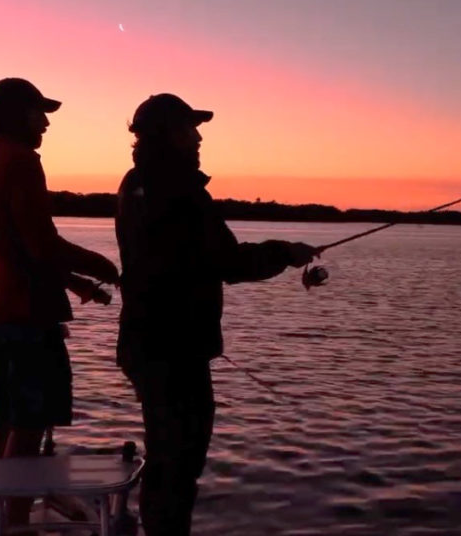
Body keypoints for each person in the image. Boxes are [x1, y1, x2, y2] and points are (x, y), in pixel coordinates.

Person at [115, 93, 316, 536]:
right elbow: (226, 261)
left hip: (144, 342)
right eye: (191, 127)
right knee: (179, 461)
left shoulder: (135, 182)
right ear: (171, 132)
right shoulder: (179, 188)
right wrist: (285, 252)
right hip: (175, 348)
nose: (199, 135)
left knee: (166, 459)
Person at [0, 77, 120, 535]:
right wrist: (101, 264)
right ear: (17, 115)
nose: (47, 123)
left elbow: (16, 247)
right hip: (28, 318)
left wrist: (75, 284)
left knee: (2, 420)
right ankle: (13, 524)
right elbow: (40, 243)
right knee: (29, 428)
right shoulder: (21, 162)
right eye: (39, 113)